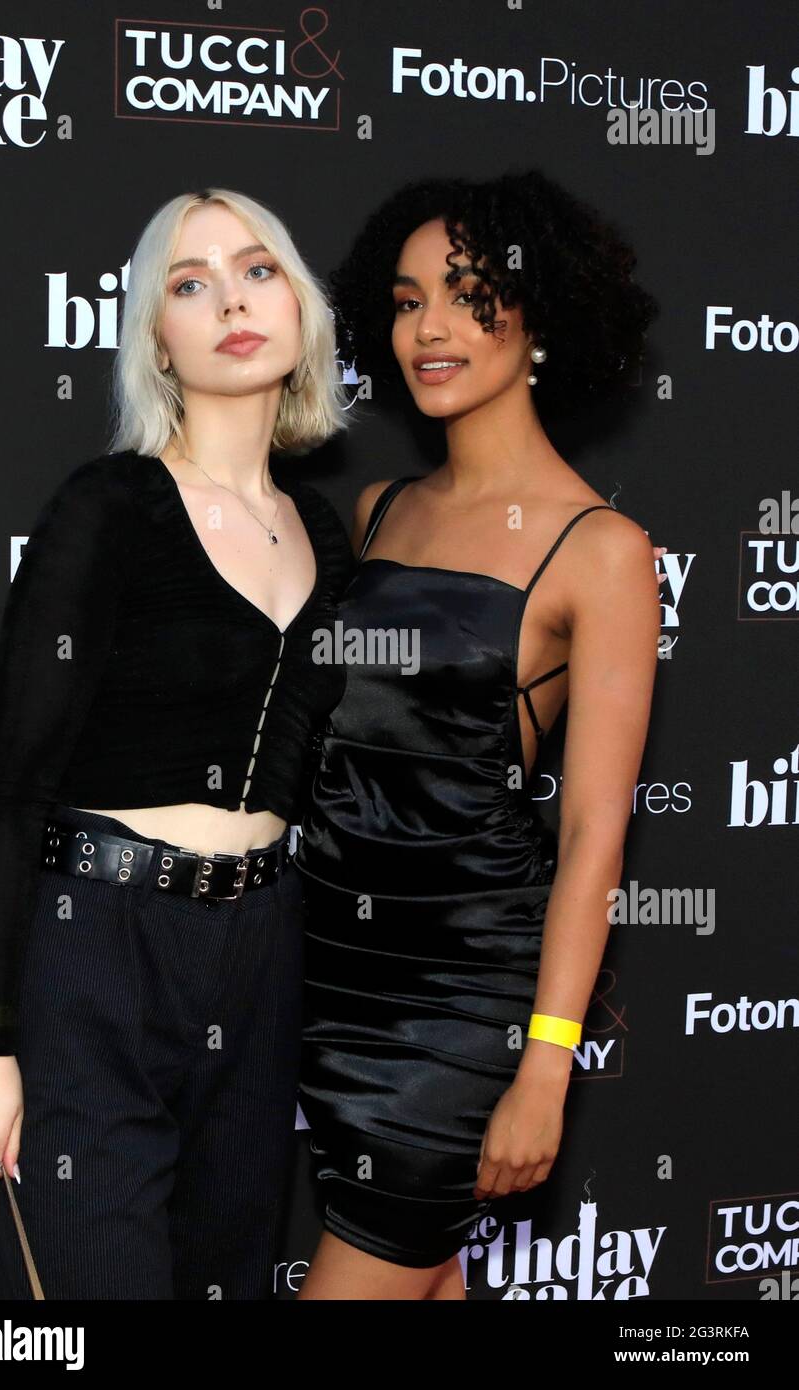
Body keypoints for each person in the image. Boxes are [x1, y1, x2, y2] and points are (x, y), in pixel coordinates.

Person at [0, 188, 355, 1299]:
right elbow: (15, 788)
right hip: (98, 952)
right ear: (157, 342)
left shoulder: (326, 528)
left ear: (302, 311)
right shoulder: (107, 508)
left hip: (264, 956)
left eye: (257, 269)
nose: (229, 298)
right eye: (189, 282)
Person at [293, 169, 662, 1299]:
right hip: (331, 985)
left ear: (538, 312)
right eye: (405, 302)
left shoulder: (601, 553)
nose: (432, 328)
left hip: (456, 1013)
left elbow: (595, 834)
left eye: (468, 293)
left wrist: (543, 1066)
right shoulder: (377, 511)